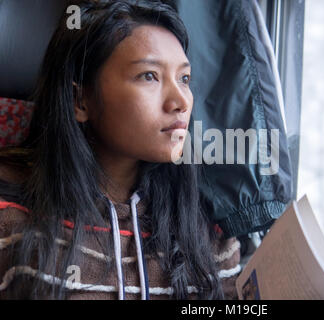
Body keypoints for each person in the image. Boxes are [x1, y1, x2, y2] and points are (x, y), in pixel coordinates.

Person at [0, 0, 241, 300]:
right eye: (149, 75)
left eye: (184, 79)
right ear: (80, 101)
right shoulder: (9, 217)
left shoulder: (207, 225)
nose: (180, 101)